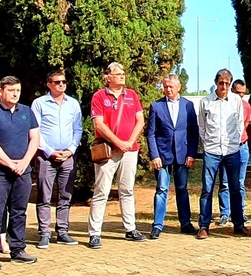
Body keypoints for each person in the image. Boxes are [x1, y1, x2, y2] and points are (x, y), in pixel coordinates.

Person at [0, 76, 39, 267]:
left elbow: (35, 139)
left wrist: (24, 162)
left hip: (23, 170)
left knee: (19, 211)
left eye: (18, 91)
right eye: (11, 90)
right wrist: (9, 163)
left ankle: (18, 248)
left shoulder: (27, 112)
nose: (15, 94)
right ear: (2, 91)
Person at [89, 62, 145, 246]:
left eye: (123, 73)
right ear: (108, 77)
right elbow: (99, 124)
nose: (122, 76)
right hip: (108, 150)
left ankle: (130, 228)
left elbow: (140, 121)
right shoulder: (99, 96)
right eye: (118, 73)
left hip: (130, 150)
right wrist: (117, 142)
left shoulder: (132, 95)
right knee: (101, 190)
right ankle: (95, 233)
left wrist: (129, 142)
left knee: (127, 190)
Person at [32, 68, 82, 247]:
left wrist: (71, 149)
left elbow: (78, 128)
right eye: (57, 82)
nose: (62, 85)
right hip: (46, 156)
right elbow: (35, 130)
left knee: (65, 195)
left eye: (64, 82)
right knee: (44, 195)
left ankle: (62, 231)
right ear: (49, 85)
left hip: (68, 155)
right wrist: (49, 151)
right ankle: (44, 232)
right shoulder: (39, 103)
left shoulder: (73, 104)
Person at [146, 73, 199, 238]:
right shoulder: (156, 106)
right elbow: (151, 133)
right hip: (162, 155)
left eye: (171, 86)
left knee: (182, 189)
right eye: (165, 86)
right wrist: (154, 155)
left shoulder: (188, 106)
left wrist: (192, 154)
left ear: (179, 87)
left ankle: (185, 223)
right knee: (162, 189)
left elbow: (193, 132)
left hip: (182, 155)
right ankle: (157, 225)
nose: (168, 89)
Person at [197, 70, 247, 238]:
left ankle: (239, 225)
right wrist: (207, 144)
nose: (224, 87)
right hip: (212, 151)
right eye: (221, 83)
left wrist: (234, 142)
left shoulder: (236, 101)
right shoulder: (206, 102)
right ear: (215, 83)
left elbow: (240, 124)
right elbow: (201, 127)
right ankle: (204, 226)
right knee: (207, 189)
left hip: (232, 151)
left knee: (235, 188)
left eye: (227, 83)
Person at [219, 78, 251, 226]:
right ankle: (225, 213)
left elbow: (245, 124)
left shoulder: (246, 105)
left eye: (243, 93)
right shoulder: (224, 104)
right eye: (238, 92)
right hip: (226, 147)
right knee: (225, 182)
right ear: (232, 90)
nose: (241, 96)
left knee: (240, 182)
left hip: (242, 146)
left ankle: (239, 212)